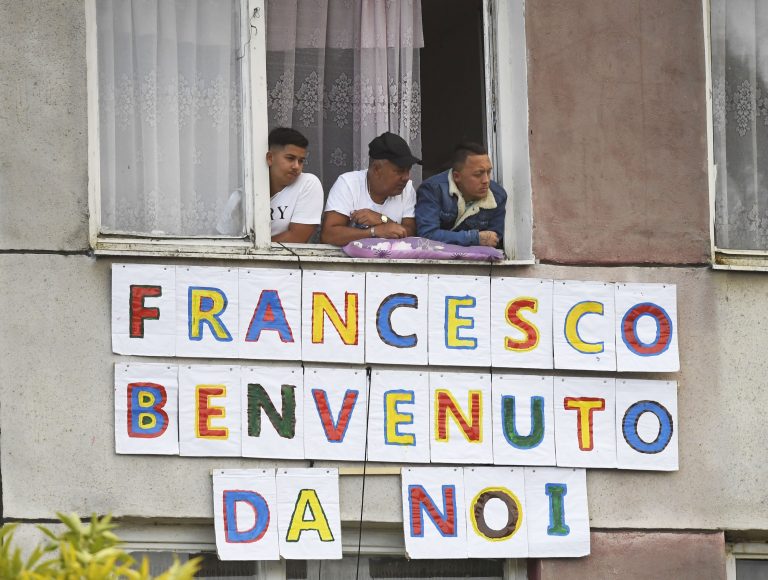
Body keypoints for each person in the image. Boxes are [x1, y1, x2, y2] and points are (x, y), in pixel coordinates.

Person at [320, 132, 420, 246]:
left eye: (408, 170)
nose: (407, 177)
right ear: (377, 169)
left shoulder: (406, 189)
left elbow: (412, 235)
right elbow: (328, 235)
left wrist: (382, 219)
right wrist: (374, 232)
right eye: (400, 171)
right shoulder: (348, 184)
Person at [415, 142, 507, 247]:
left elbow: (493, 240)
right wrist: (474, 238)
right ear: (457, 176)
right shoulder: (433, 189)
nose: (486, 180)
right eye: (478, 174)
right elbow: (427, 235)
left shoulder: (498, 196)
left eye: (488, 172)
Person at [268, 127, 324, 243]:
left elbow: (296, 238)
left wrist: (252, 247)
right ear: (270, 158)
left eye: (301, 161)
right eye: (290, 158)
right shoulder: (244, 194)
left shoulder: (307, 183)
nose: (296, 166)